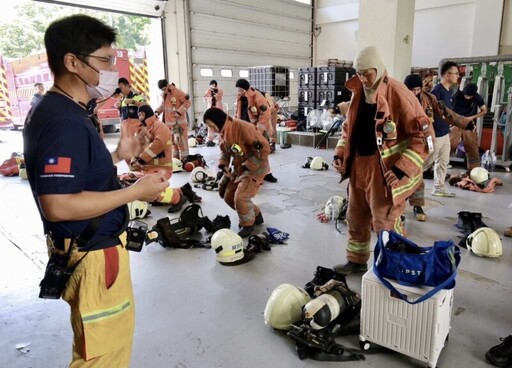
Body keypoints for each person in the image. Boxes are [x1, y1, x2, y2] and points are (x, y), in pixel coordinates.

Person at [22, 14, 169, 367]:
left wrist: (119, 155)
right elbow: (58, 204)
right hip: (93, 254)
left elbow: (78, 172)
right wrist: (136, 192)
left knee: (102, 345)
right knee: (104, 354)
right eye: (104, 61)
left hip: (88, 246)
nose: (110, 71)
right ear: (72, 61)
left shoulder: (64, 109)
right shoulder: (62, 121)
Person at [331, 46, 430, 275]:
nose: (363, 78)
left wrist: (401, 168)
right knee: (355, 217)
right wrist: (340, 153)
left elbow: (424, 138)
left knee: (385, 222)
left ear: (378, 68)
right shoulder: (358, 93)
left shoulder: (398, 93)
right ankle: (356, 260)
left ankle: (397, 267)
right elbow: (348, 130)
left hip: (383, 170)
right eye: (360, 74)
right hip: (359, 165)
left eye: (367, 73)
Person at [403, 74, 471, 221]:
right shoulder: (398, 99)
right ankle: (398, 206)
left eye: (417, 89)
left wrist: (463, 122)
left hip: (423, 141)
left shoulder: (429, 98)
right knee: (402, 175)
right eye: (411, 90)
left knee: (417, 173)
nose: (414, 93)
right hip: (404, 143)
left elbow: (445, 113)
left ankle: (417, 205)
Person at [203, 107, 270, 238]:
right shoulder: (224, 133)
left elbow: (264, 148)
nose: (212, 129)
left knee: (241, 197)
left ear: (219, 120)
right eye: (209, 127)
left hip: (255, 168)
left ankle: (247, 225)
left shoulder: (242, 128)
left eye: (212, 125)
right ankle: (256, 215)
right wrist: (224, 165)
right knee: (228, 196)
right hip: (240, 168)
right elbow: (225, 152)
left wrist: (249, 166)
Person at [132, 104, 201, 210]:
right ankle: (182, 190)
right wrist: (134, 161)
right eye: (139, 115)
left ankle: (177, 197)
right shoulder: (142, 130)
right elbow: (136, 146)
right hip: (147, 169)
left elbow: (158, 144)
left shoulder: (159, 126)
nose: (140, 117)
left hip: (161, 168)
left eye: (142, 114)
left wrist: (141, 160)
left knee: (149, 190)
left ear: (148, 114)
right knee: (131, 182)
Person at [235, 78, 277, 183]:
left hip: (257, 130)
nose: (238, 91)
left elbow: (265, 113)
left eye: (240, 89)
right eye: (238, 89)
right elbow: (237, 113)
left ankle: (266, 174)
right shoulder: (240, 97)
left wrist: (258, 130)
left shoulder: (257, 96)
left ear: (245, 88)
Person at [429, 61, 461, 197]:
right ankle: (410, 184)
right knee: (427, 162)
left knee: (443, 161)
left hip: (445, 132)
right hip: (436, 133)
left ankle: (439, 187)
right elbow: (431, 113)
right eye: (456, 74)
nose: (457, 76)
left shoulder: (448, 92)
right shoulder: (437, 91)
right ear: (447, 75)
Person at [450, 83, 488, 171]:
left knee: (472, 147)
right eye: (465, 95)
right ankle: (441, 167)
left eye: (469, 96)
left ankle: (474, 170)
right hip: (456, 121)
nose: (467, 97)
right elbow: (450, 109)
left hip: (469, 123)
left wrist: (472, 117)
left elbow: (484, 110)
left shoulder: (477, 98)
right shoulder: (456, 96)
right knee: (449, 144)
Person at [155, 79, 191, 161]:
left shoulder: (177, 92)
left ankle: (185, 160)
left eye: (165, 88)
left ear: (168, 85)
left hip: (179, 123)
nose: (164, 91)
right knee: (173, 143)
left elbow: (187, 103)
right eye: (162, 90)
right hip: (169, 124)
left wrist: (178, 112)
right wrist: (157, 112)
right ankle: (176, 161)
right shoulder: (164, 95)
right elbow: (162, 106)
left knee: (182, 143)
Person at [203, 79, 224, 146]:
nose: (212, 86)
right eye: (211, 85)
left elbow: (220, 94)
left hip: (218, 110)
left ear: (216, 84)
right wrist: (211, 98)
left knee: (219, 125)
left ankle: (221, 140)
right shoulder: (208, 91)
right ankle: (210, 140)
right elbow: (205, 99)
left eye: (213, 85)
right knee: (210, 125)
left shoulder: (219, 90)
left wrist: (216, 93)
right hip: (211, 110)